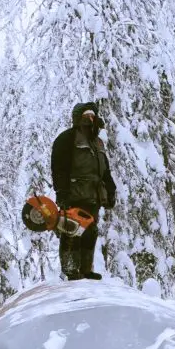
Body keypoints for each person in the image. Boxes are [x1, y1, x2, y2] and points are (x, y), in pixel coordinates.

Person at [51, 101, 117, 280]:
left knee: (91, 231)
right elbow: (59, 169)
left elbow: (105, 171)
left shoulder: (98, 143)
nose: (91, 118)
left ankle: (86, 270)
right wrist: (62, 193)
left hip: (94, 196)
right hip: (73, 195)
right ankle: (70, 271)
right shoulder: (67, 138)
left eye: (93, 115)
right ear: (77, 118)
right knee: (71, 231)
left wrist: (111, 190)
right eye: (86, 115)